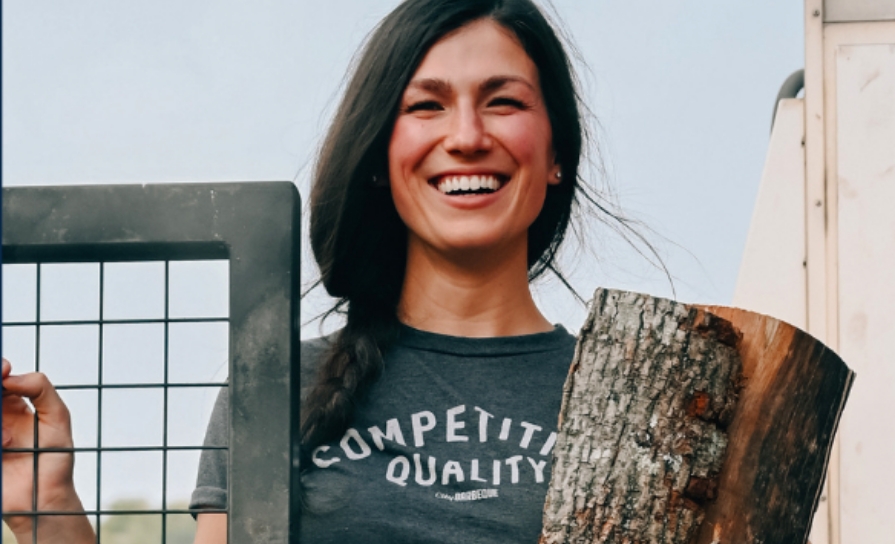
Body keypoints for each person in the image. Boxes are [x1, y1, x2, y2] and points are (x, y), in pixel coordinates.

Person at [2, 0, 637, 541]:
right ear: (380, 153)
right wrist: (48, 508)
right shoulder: (277, 388)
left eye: (502, 101)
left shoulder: (634, 406)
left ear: (557, 152)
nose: (467, 135)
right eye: (426, 106)